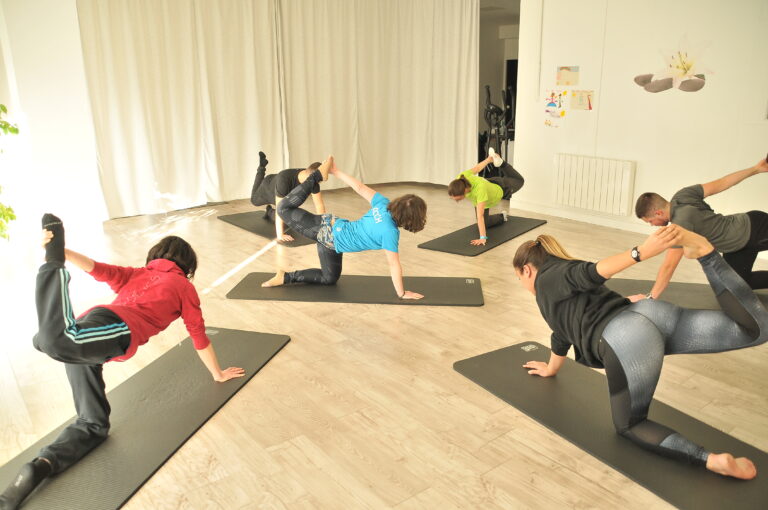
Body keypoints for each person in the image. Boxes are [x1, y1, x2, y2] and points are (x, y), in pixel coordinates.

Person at [0, 215, 244, 510]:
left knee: (93, 423)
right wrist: (216, 373)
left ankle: (41, 465)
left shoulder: (137, 273)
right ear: (188, 266)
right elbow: (198, 334)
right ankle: (51, 269)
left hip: (94, 327)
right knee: (58, 340)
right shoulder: (183, 287)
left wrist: (68, 252)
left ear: (155, 256)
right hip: (116, 330)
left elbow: (96, 268)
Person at [514, 225, 766, 480]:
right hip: (652, 314)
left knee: (630, 425)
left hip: (628, 339)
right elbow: (561, 333)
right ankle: (708, 255)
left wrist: (640, 253)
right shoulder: (555, 293)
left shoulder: (549, 277)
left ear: (526, 270)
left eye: (519, 278)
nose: (523, 284)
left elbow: (590, 272)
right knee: (753, 330)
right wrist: (551, 367)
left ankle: (712, 460)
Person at [261, 156, 427, 300]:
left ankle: (285, 277)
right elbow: (393, 265)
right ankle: (316, 175)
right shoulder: (390, 232)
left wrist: (336, 171)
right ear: (411, 219)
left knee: (329, 278)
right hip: (327, 233)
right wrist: (402, 293)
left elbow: (359, 188)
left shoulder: (383, 204)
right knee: (283, 209)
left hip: (333, 239)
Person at [633, 155, 768, 300]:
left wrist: (651, 297)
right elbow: (723, 182)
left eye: (650, 221)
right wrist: (756, 169)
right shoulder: (683, 195)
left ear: (658, 213)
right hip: (735, 245)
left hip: (756, 230)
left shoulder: (679, 226)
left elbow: (668, 267)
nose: (652, 225)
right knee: (736, 284)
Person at [447, 148, 524, 246]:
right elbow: (477, 168)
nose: (456, 200)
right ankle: (502, 216)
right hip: (488, 186)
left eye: (457, 198)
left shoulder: (480, 190)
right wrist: (488, 160)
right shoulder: (461, 178)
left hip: (502, 188)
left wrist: (482, 238)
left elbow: (480, 216)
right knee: (486, 223)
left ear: (465, 191)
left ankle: (501, 164)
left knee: (519, 180)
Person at [250, 151, 327, 242]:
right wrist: (280, 235)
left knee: (286, 218)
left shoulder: (312, 179)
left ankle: (269, 211)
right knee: (254, 200)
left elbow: (319, 206)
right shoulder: (285, 179)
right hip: (269, 187)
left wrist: (324, 229)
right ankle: (261, 167)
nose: (319, 183)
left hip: (284, 193)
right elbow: (280, 208)